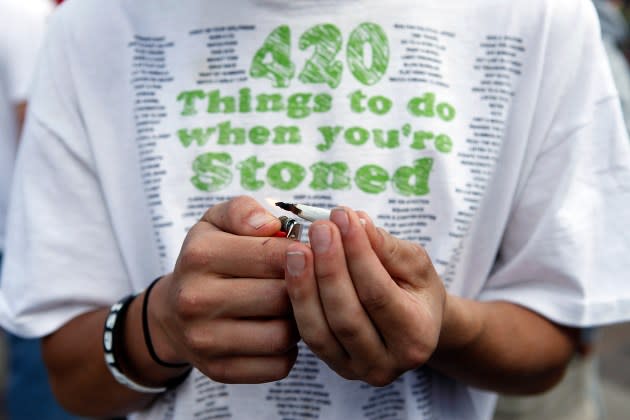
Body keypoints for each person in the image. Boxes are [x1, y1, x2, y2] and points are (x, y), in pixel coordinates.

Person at [1, 0, 629, 419]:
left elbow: (552, 340)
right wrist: (162, 324)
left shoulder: (540, 17)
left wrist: (443, 327)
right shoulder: (94, 24)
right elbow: (71, 376)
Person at [0, 1, 86, 419]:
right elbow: (35, 121)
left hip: (16, 231)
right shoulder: (27, 16)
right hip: (29, 237)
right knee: (47, 385)